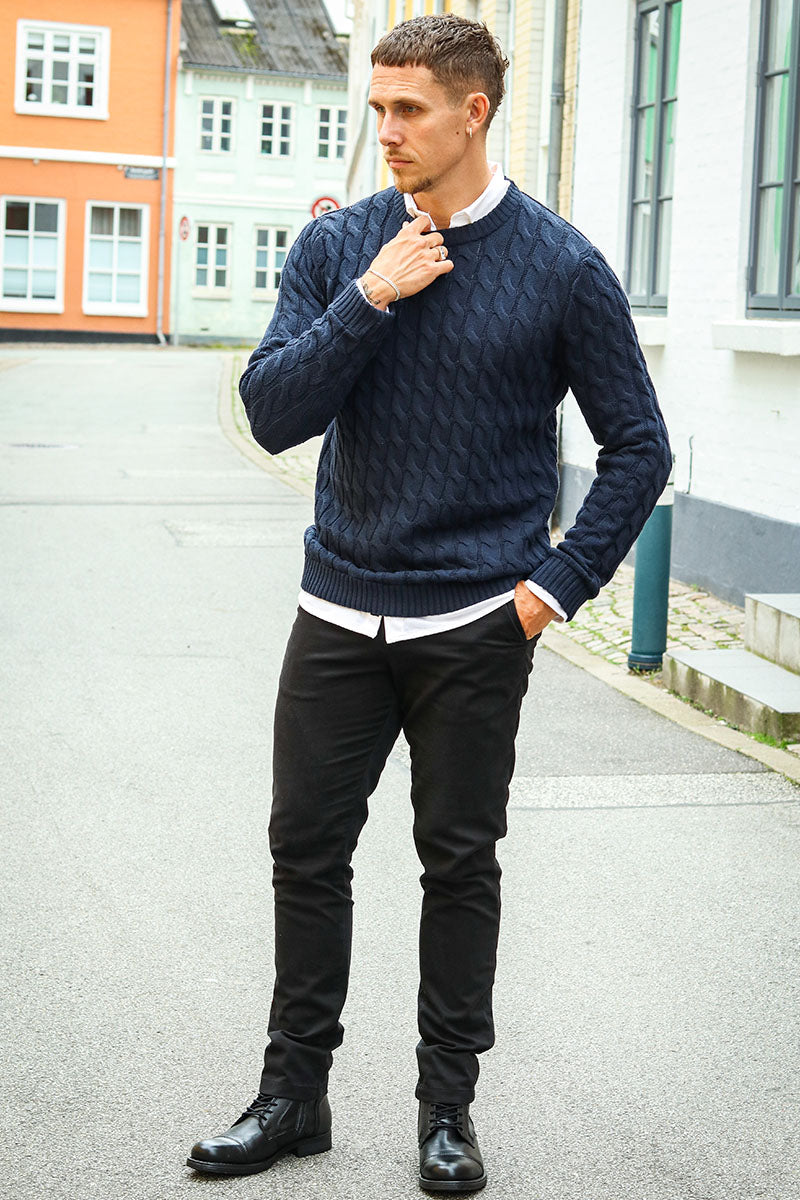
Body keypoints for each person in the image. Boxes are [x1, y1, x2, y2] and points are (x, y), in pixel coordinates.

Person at [186, 12, 672, 1193]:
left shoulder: (559, 265)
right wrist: (369, 296)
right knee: (306, 852)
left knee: (457, 865)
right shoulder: (340, 246)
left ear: (472, 111)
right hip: (338, 611)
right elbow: (271, 414)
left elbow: (637, 449)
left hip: (473, 624)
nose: (388, 129)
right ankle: (292, 1096)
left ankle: (445, 1112)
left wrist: (547, 593)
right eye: (379, 108)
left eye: (408, 109)